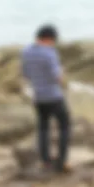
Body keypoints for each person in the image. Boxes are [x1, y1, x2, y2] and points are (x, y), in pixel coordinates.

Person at [21, 25, 71, 173]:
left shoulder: (26, 52)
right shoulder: (50, 53)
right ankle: (62, 161)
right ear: (49, 38)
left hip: (38, 96)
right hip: (54, 96)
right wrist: (63, 76)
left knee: (43, 128)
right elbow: (57, 77)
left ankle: (45, 161)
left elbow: (26, 74)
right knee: (64, 126)